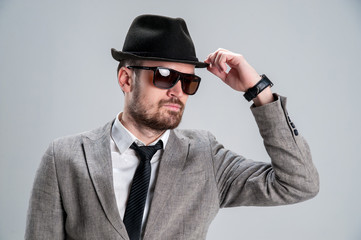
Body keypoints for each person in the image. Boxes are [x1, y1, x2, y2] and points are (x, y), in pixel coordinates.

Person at [25, 14, 319, 240]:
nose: (177, 91)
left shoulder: (207, 158)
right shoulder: (65, 157)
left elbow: (299, 184)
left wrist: (259, 91)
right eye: (164, 75)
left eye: (188, 81)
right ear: (126, 79)